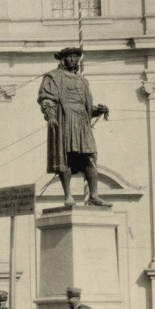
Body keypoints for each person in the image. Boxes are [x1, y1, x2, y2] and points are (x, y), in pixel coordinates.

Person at [37, 46, 110, 207]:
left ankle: (94, 195)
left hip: (83, 123)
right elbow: (47, 99)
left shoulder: (83, 81)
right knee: (66, 158)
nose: (73, 59)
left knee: (90, 157)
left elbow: (87, 107)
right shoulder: (53, 77)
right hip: (65, 120)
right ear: (63, 59)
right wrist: (50, 115)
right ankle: (68, 196)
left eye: (76, 57)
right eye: (70, 56)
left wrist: (97, 110)